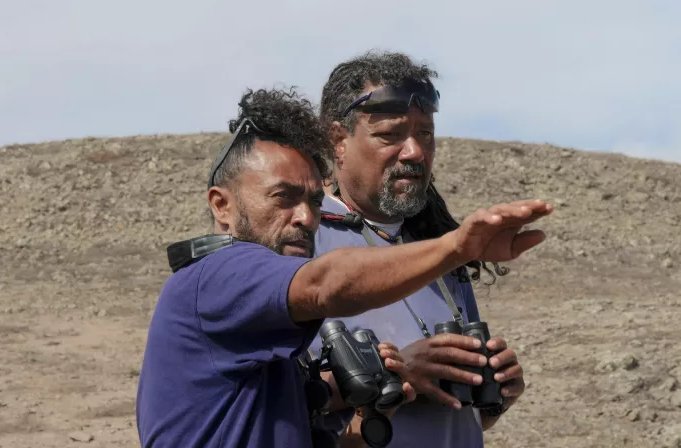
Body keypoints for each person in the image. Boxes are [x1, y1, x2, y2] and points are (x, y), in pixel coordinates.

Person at [135, 86, 552, 448]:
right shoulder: (216, 275)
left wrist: (381, 399)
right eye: (284, 197)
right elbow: (326, 283)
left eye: (314, 202)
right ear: (221, 206)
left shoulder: (264, 334)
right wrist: (456, 247)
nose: (306, 218)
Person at [307, 49, 532, 447]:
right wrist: (398, 372)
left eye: (425, 134)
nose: (414, 152)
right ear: (338, 140)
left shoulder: (438, 249)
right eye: (391, 134)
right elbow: (276, 397)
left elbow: (457, 419)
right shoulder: (301, 239)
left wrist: (493, 392)